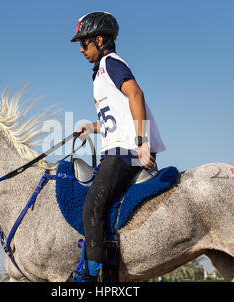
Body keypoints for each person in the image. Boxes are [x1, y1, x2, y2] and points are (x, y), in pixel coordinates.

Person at [69, 11, 166, 282]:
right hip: (116, 149)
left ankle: (88, 275)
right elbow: (116, 119)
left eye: (84, 42)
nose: (80, 49)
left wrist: (142, 143)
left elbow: (136, 93)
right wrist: (91, 126)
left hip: (126, 152)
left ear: (99, 40)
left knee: (92, 205)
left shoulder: (111, 62)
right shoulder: (99, 73)